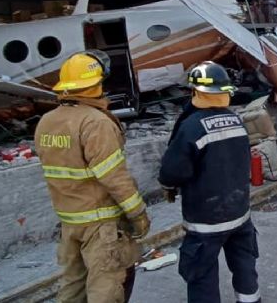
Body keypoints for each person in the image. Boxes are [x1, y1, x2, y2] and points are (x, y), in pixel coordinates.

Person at [34, 50, 150, 303]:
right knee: (105, 289)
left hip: (69, 222)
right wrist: (138, 213)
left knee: (72, 288)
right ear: (97, 83)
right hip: (101, 225)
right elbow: (114, 176)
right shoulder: (95, 122)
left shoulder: (47, 122)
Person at [159, 61, 260, 303]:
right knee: (245, 266)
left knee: (201, 275)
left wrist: (168, 186)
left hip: (206, 221)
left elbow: (172, 172)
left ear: (196, 92)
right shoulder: (236, 121)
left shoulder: (191, 127)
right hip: (240, 213)